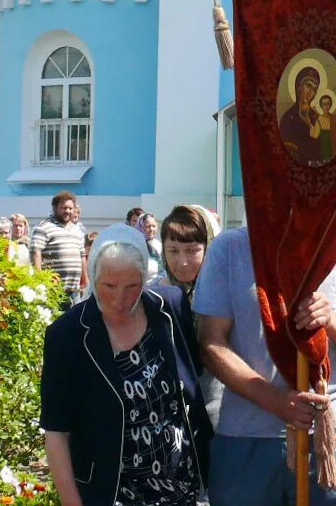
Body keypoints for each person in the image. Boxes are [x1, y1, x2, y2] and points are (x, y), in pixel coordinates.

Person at [193, 226, 336, 506]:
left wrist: (329, 318)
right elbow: (210, 344)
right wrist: (276, 401)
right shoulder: (229, 247)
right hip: (246, 438)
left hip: (327, 438)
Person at [40, 223, 212, 506]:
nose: (120, 299)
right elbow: (56, 432)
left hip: (180, 487)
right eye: (109, 286)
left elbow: (191, 382)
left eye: (131, 287)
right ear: (93, 275)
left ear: (145, 278)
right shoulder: (67, 334)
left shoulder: (168, 308)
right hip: (113, 493)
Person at [162, 205, 224, 427]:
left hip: (220, 412)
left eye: (192, 250)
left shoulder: (226, 294)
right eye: (173, 250)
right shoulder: (155, 296)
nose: (182, 262)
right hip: (169, 415)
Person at [33, 190, 88, 299]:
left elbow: (82, 256)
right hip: (53, 291)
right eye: (64, 208)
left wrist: (86, 281)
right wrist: (40, 281)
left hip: (74, 291)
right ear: (54, 208)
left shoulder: (77, 230)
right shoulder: (43, 227)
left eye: (70, 208)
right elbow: (35, 253)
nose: (67, 211)